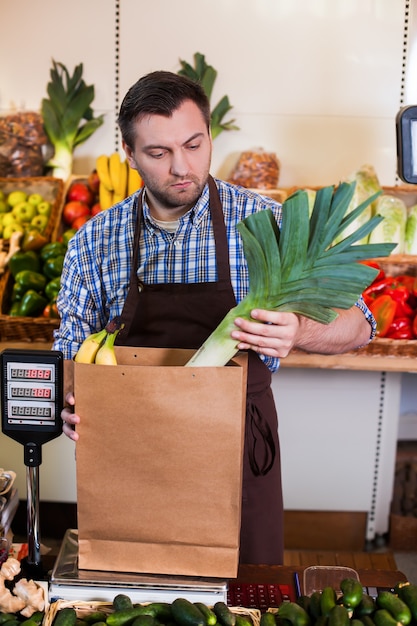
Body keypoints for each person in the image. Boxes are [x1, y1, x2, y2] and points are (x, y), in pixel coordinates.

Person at [54, 70, 376, 565]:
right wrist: (69, 396)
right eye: (158, 153)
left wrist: (301, 330)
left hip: (239, 450)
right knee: (133, 598)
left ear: (209, 135)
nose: (181, 166)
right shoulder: (95, 241)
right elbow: (70, 345)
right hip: (132, 451)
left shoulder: (263, 222)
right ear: (129, 153)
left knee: (245, 594)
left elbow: (360, 323)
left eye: (193, 144)